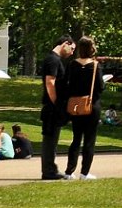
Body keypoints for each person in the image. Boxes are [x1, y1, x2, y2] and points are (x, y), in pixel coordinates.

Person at [63, 35, 106, 180]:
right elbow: (100, 87)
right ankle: (85, 172)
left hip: (76, 105)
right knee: (89, 140)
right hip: (91, 106)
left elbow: (67, 86)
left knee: (76, 139)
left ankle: (69, 171)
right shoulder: (95, 66)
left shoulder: (72, 65)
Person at [39, 34, 75, 180]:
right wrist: (57, 104)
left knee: (52, 139)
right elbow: (50, 83)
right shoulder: (53, 60)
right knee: (50, 139)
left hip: (53, 105)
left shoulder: (53, 59)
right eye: (71, 48)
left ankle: (50, 169)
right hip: (52, 106)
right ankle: (48, 171)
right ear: (65, 43)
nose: (72, 53)